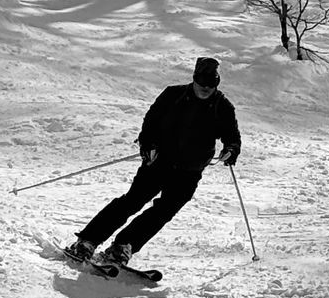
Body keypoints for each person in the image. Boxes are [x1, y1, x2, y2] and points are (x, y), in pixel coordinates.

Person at [65, 56, 241, 269]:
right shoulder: (172, 95)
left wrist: (230, 151)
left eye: (211, 84)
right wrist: (148, 146)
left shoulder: (222, 107)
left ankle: (122, 246)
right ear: (194, 79)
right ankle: (87, 241)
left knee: (163, 212)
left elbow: (232, 137)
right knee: (132, 202)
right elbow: (150, 123)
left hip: (189, 172)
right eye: (202, 82)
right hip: (159, 163)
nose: (205, 88)